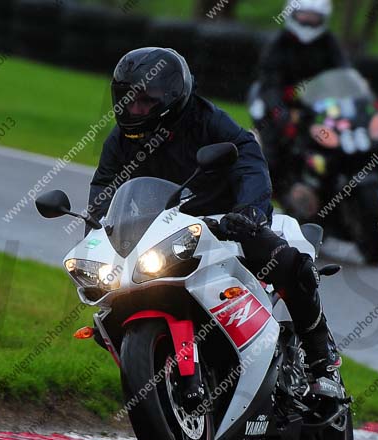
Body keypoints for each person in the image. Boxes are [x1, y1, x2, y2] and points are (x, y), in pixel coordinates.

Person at [88, 47, 341, 387]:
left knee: (285, 261)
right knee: (110, 309)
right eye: (128, 100)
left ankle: (320, 349)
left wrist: (249, 210)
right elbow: (105, 187)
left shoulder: (205, 119)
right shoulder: (119, 141)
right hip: (162, 235)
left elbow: (247, 157)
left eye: (145, 101)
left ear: (171, 98)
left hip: (224, 222)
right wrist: (98, 230)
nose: (135, 109)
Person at [255, 0, 349, 189]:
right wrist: (279, 109)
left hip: (317, 108)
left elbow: (343, 76)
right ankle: (269, 187)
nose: (307, 21)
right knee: (270, 148)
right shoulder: (279, 44)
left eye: (313, 17)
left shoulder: (329, 44)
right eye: (304, 15)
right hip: (281, 105)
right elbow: (269, 82)